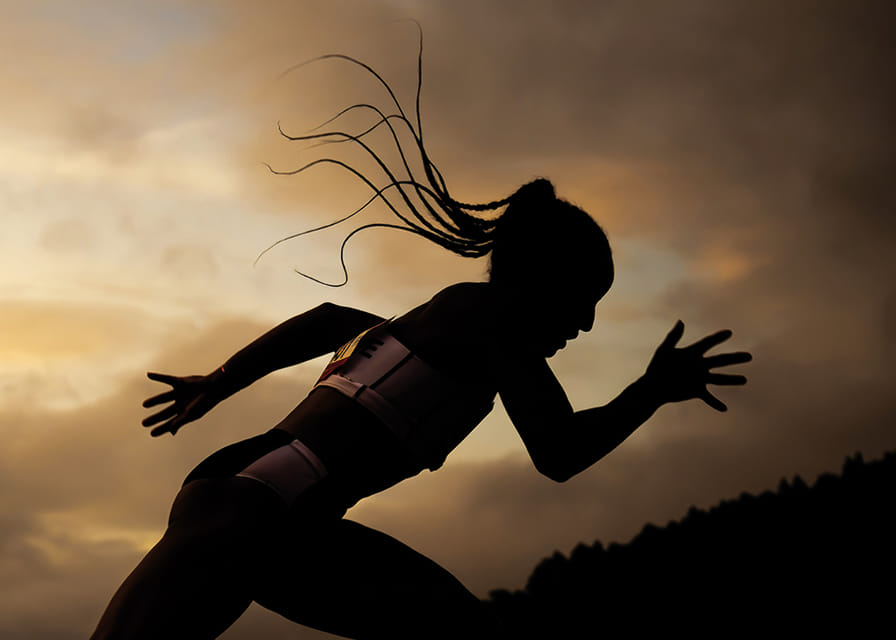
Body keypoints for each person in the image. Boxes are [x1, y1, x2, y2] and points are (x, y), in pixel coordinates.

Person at [89, 49, 751, 640]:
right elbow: (560, 454)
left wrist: (220, 379)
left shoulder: (437, 323)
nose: (584, 327)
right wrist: (650, 391)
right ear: (540, 283)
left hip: (261, 507)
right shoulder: (493, 323)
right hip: (260, 512)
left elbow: (325, 320)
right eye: (581, 304)